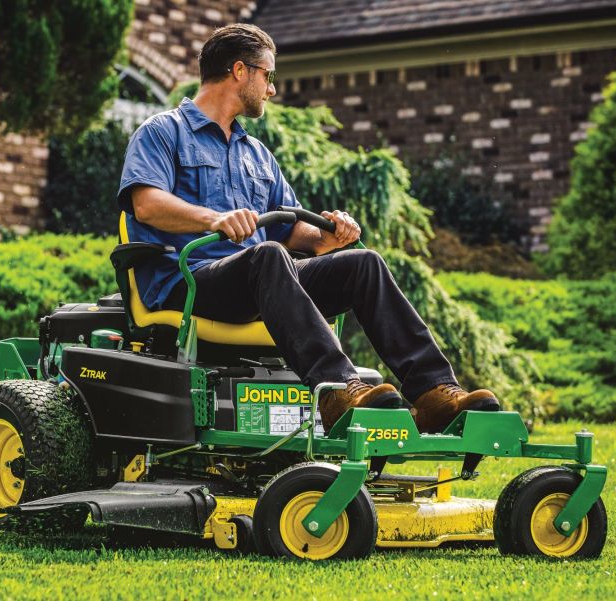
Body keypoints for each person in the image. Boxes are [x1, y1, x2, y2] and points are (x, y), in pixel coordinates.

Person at [117, 23, 499, 432]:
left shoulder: (257, 155)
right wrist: (213, 218)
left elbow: (291, 230)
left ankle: (435, 392)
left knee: (362, 264)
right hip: (190, 284)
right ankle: (336, 389)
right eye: (269, 75)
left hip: (260, 278)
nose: (273, 89)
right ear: (240, 70)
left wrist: (327, 237)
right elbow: (146, 203)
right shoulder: (162, 132)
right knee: (267, 256)